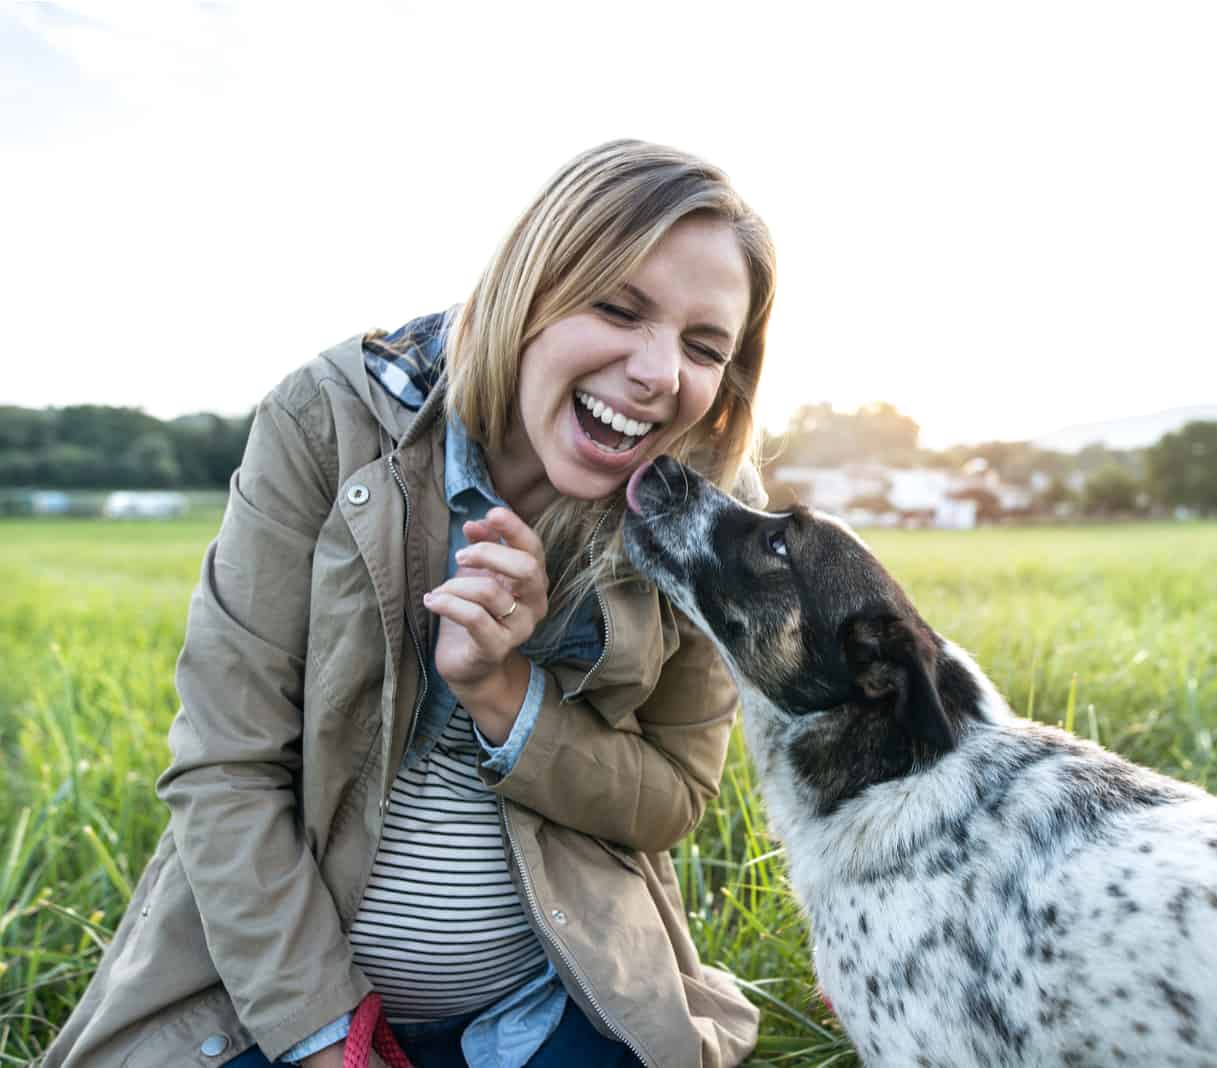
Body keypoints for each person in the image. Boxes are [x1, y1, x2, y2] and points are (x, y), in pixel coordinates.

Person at [45, 139, 776, 1068]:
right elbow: (224, 766)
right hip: (271, 1005)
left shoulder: (702, 515)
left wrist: (507, 698)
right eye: (618, 307)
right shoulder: (328, 420)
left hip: (552, 1000)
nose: (658, 372)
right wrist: (329, 1041)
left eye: (704, 347)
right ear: (529, 284)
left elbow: (671, 798)